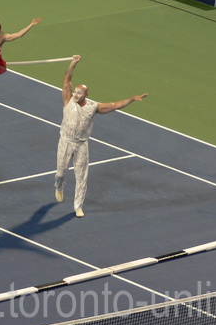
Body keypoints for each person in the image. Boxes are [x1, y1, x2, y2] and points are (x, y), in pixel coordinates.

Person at [55, 55, 148, 218]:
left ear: (86, 94)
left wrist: (132, 99)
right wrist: (73, 63)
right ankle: (59, 185)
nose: (76, 94)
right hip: (65, 141)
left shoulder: (93, 107)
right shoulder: (68, 100)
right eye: (75, 91)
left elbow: (115, 105)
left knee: (82, 175)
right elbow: (66, 78)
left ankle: (78, 206)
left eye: (79, 93)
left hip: (81, 144)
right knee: (61, 172)